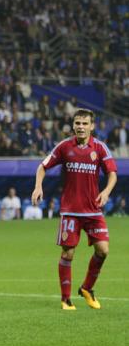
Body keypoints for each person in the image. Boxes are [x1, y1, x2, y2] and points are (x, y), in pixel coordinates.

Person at [31, 109, 117, 311]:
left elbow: (112, 173)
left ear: (92, 126)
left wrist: (106, 192)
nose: (80, 127)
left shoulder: (100, 148)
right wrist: (38, 186)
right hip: (70, 210)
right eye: (77, 123)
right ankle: (66, 299)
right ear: (73, 125)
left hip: (93, 210)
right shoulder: (64, 147)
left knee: (103, 251)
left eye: (85, 123)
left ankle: (87, 288)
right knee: (68, 253)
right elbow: (42, 166)